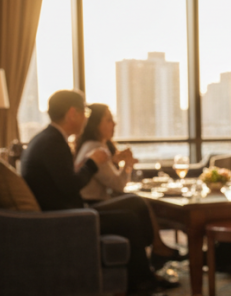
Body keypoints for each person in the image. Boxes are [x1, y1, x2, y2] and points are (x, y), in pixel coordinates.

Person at [20, 90, 167, 296]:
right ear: (72, 113)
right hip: (66, 219)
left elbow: (65, 184)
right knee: (129, 217)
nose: (86, 118)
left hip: (68, 211)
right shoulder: (52, 143)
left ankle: (148, 271)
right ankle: (139, 285)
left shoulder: (48, 139)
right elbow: (71, 186)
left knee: (134, 203)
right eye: (84, 113)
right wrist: (92, 162)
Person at [74, 103, 181, 265]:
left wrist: (116, 160)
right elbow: (118, 184)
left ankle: (157, 247)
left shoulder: (94, 146)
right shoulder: (96, 148)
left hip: (94, 202)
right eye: (108, 120)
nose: (114, 124)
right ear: (96, 124)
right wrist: (127, 165)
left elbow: (104, 176)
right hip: (92, 204)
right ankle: (157, 247)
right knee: (137, 202)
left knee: (138, 202)